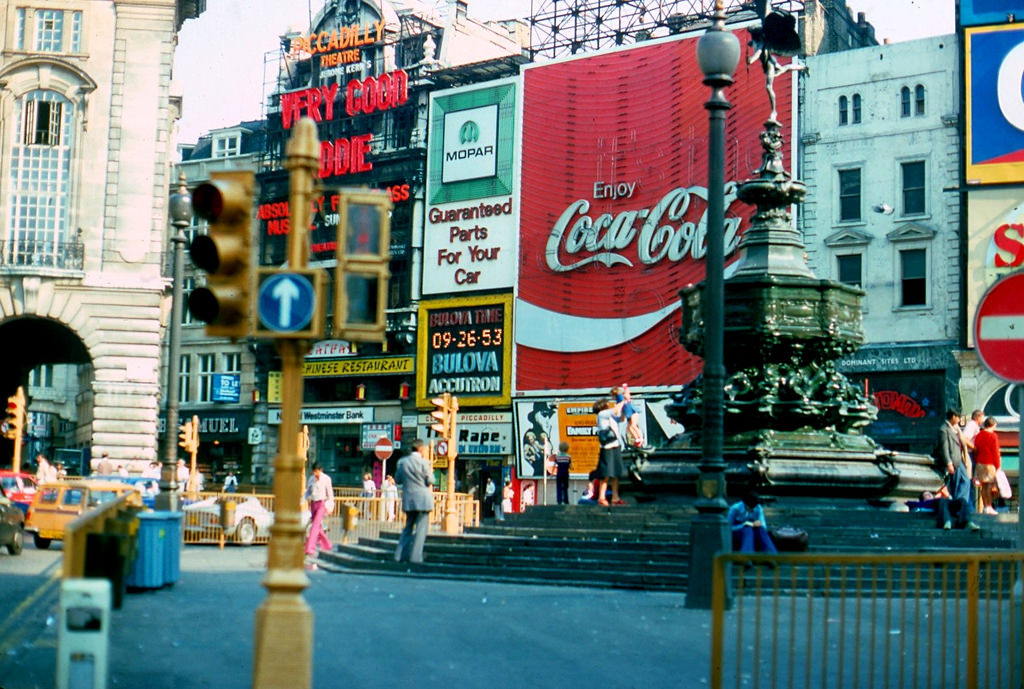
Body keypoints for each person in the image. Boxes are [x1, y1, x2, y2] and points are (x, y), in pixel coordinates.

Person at [394, 439, 434, 564]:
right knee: (421, 529)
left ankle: (399, 555)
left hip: (409, 499)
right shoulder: (424, 463)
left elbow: (398, 479)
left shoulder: (402, 462)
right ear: (421, 449)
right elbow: (430, 480)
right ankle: (415, 558)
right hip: (423, 499)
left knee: (408, 527)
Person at [934, 409, 973, 507]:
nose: (959, 420)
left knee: (965, 480)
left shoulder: (955, 428)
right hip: (953, 462)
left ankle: (961, 502)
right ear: (953, 417)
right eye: (958, 417)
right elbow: (944, 447)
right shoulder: (944, 429)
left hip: (959, 461)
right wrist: (948, 463)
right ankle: (957, 504)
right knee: (955, 484)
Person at [594, 397, 627, 506]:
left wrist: (623, 409)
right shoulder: (602, 414)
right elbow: (616, 410)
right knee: (605, 474)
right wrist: (624, 400)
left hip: (615, 445)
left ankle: (615, 497)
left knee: (615, 473)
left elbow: (621, 418)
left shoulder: (609, 415)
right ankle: (601, 497)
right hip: (607, 447)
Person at [906, 486, 979, 531]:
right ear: (923, 499)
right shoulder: (925, 503)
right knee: (942, 500)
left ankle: (968, 522)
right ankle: (947, 521)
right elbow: (913, 503)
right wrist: (907, 502)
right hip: (941, 504)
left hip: (949, 504)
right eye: (927, 495)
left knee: (962, 500)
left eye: (930, 494)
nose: (930, 495)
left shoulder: (939, 499)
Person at [304, 463, 334, 559]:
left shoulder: (326, 479)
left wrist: (330, 507)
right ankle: (327, 544)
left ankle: (310, 548)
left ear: (320, 470)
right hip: (313, 503)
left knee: (315, 526)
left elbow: (330, 494)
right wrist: (302, 500)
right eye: (314, 471)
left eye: (316, 471)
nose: (315, 473)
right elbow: (308, 491)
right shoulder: (311, 479)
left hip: (321, 503)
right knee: (318, 527)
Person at [972, 417, 1001, 515]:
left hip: (980, 462)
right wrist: (998, 466)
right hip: (989, 463)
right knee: (989, 485)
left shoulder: (979, 435)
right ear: (992, 425)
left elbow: (976, 449)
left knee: (983, 486)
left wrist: (977, 461)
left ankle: (985, 506)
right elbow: (995, 452)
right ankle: (989, 506)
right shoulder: (993, 436)